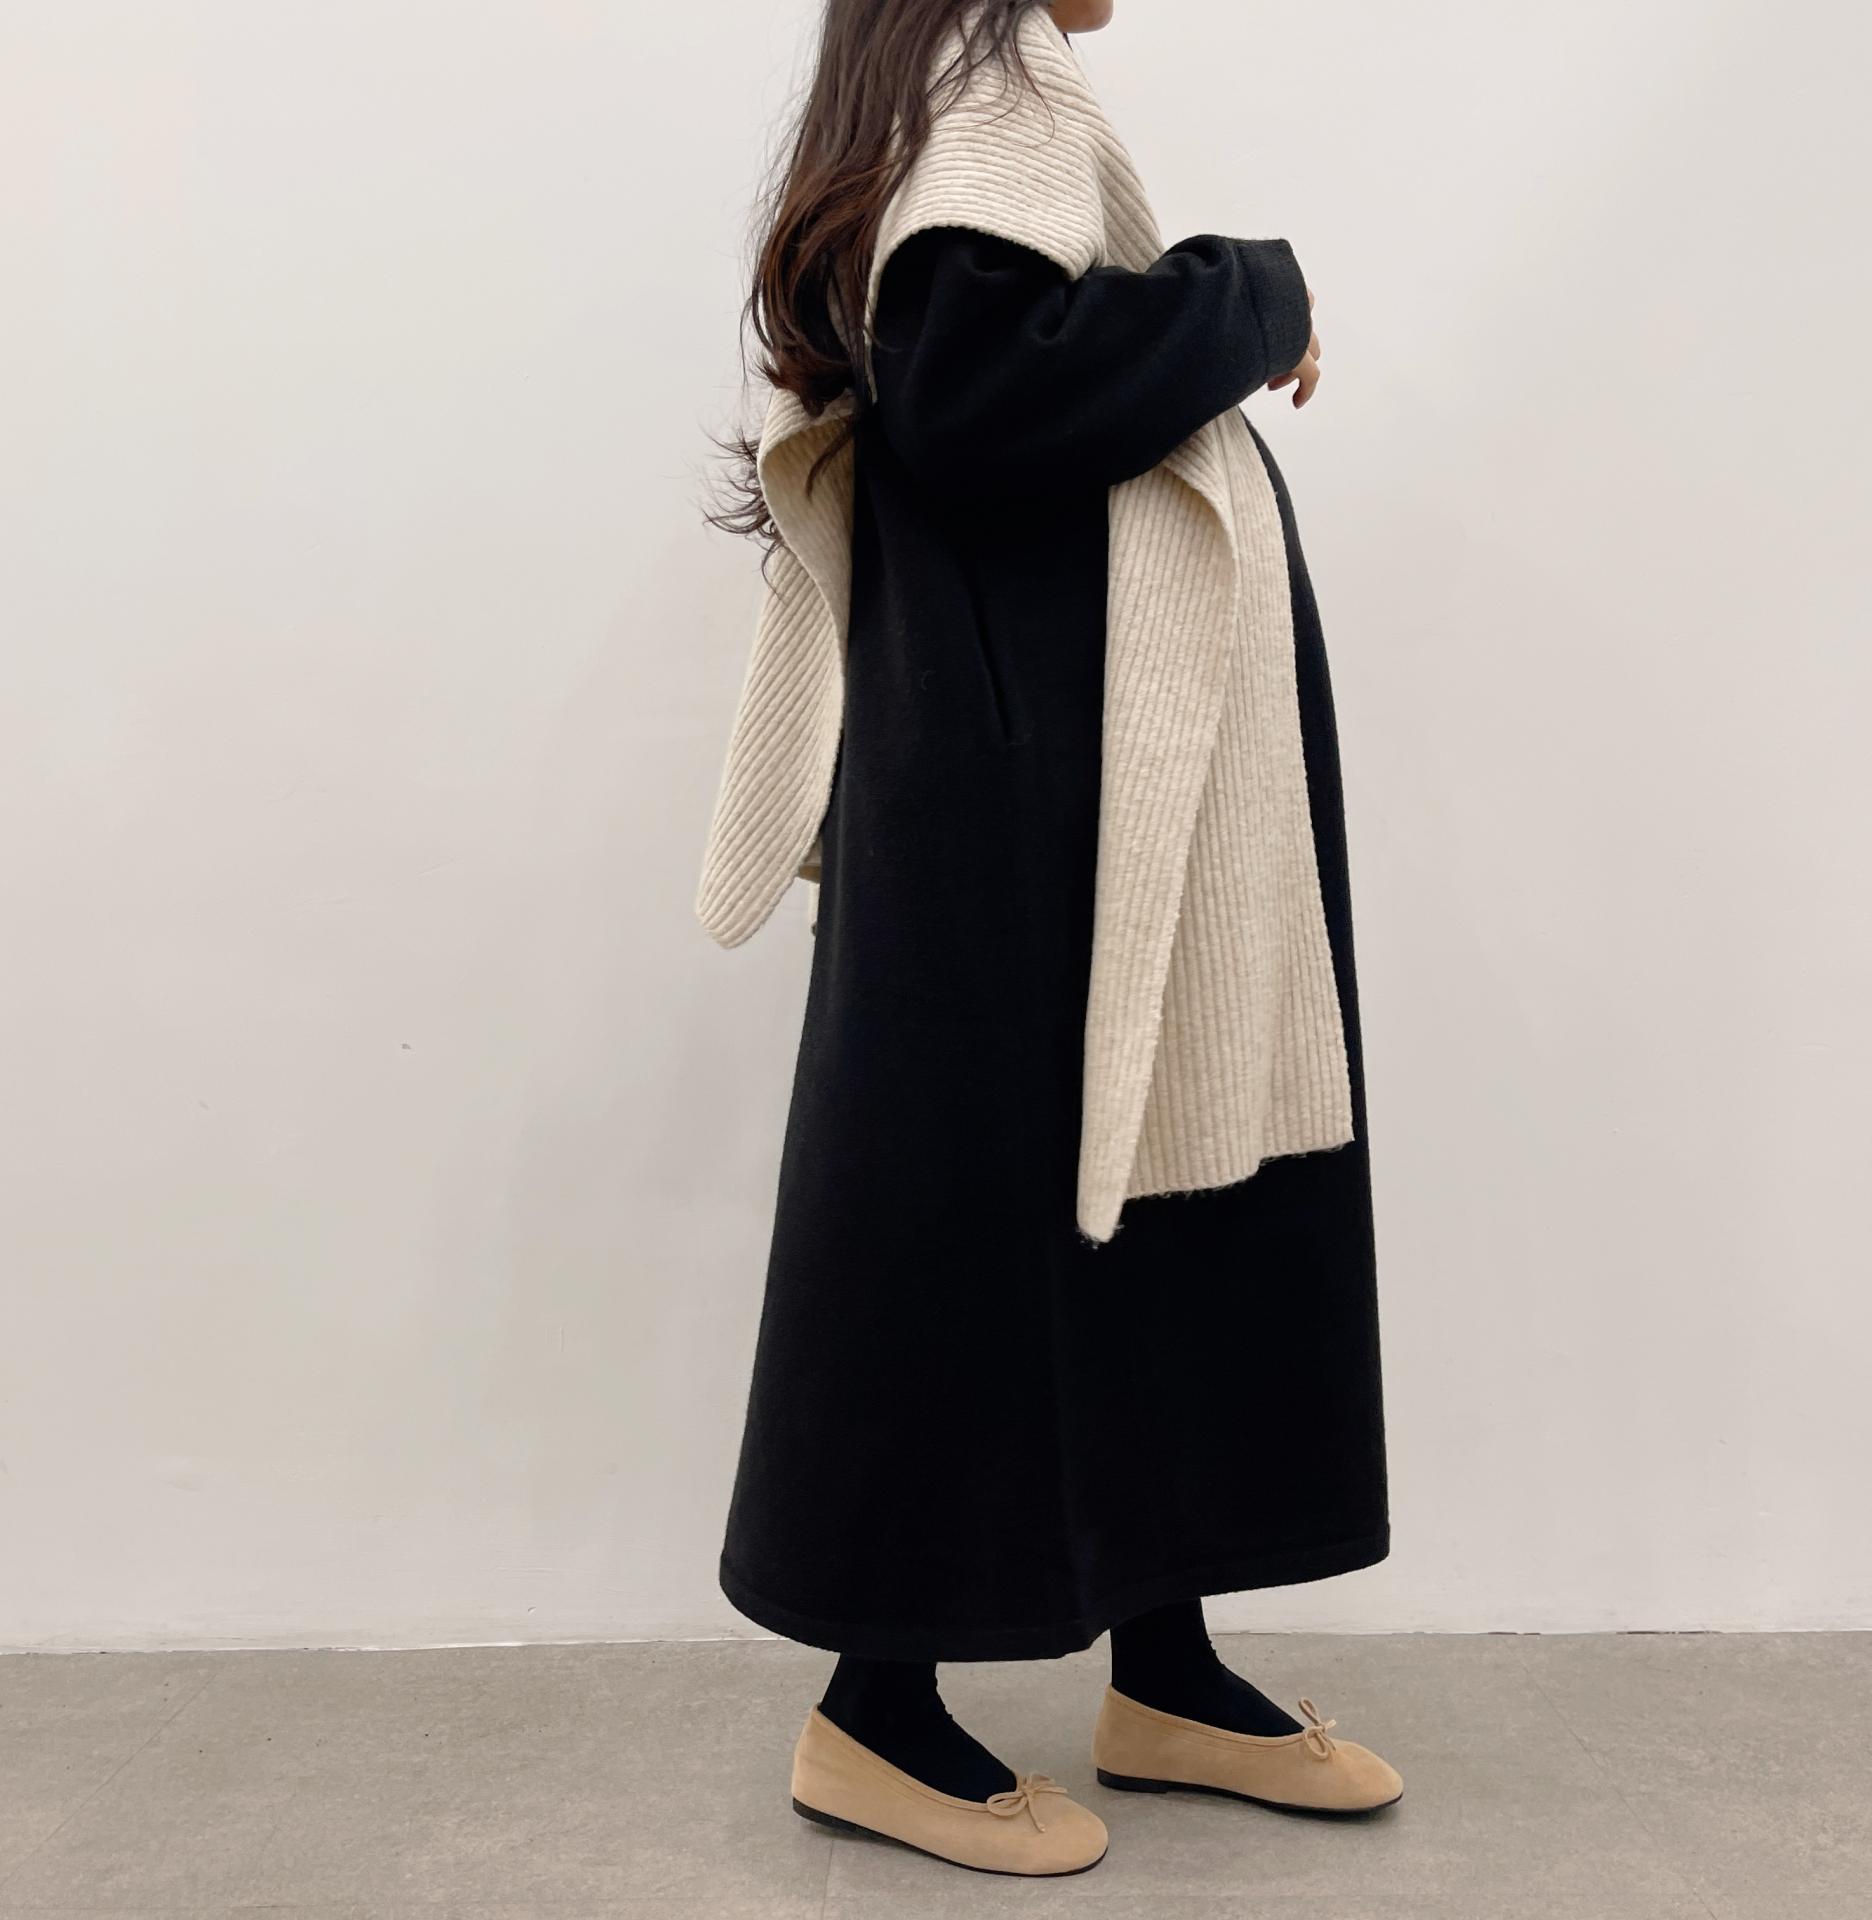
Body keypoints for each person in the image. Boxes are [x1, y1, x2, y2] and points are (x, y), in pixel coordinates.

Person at [695, 0, 1399, 1876]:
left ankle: (1163, 1671)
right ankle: (872, 1714)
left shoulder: (948, 91)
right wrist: (1250, 290)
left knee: (1151, 1185)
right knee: (974, 1205)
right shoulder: (987, 90)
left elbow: (980, 373)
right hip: (1031, 775)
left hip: (1068, 754)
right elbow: (982, 395)